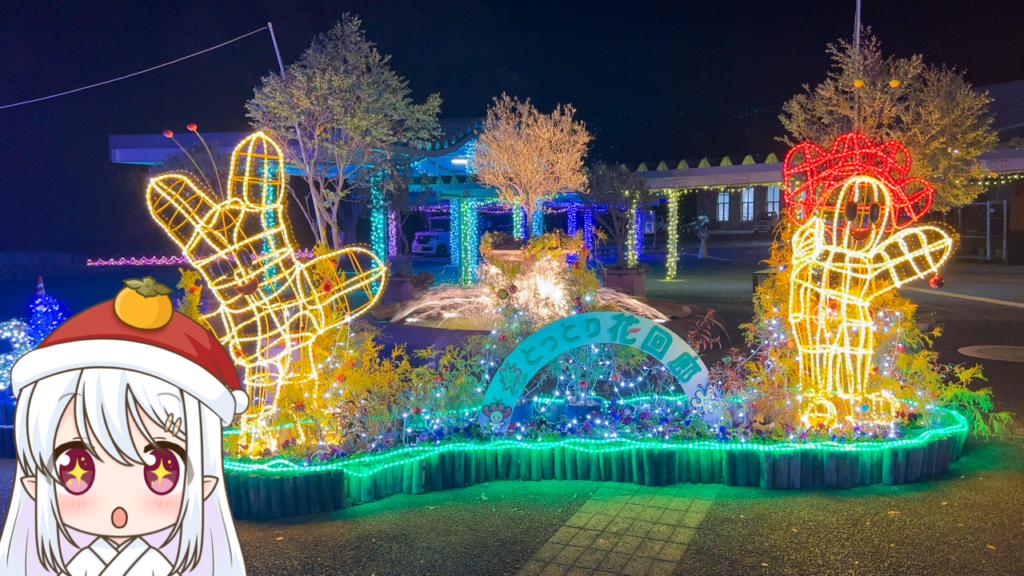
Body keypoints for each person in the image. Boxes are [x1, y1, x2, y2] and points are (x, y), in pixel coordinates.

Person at [1, 277, 248, 575]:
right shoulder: (78, 564)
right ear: (35, 484)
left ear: (204, 484)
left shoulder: (159, 565)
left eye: (162, 469)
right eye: (77, 468)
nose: (118, 508)